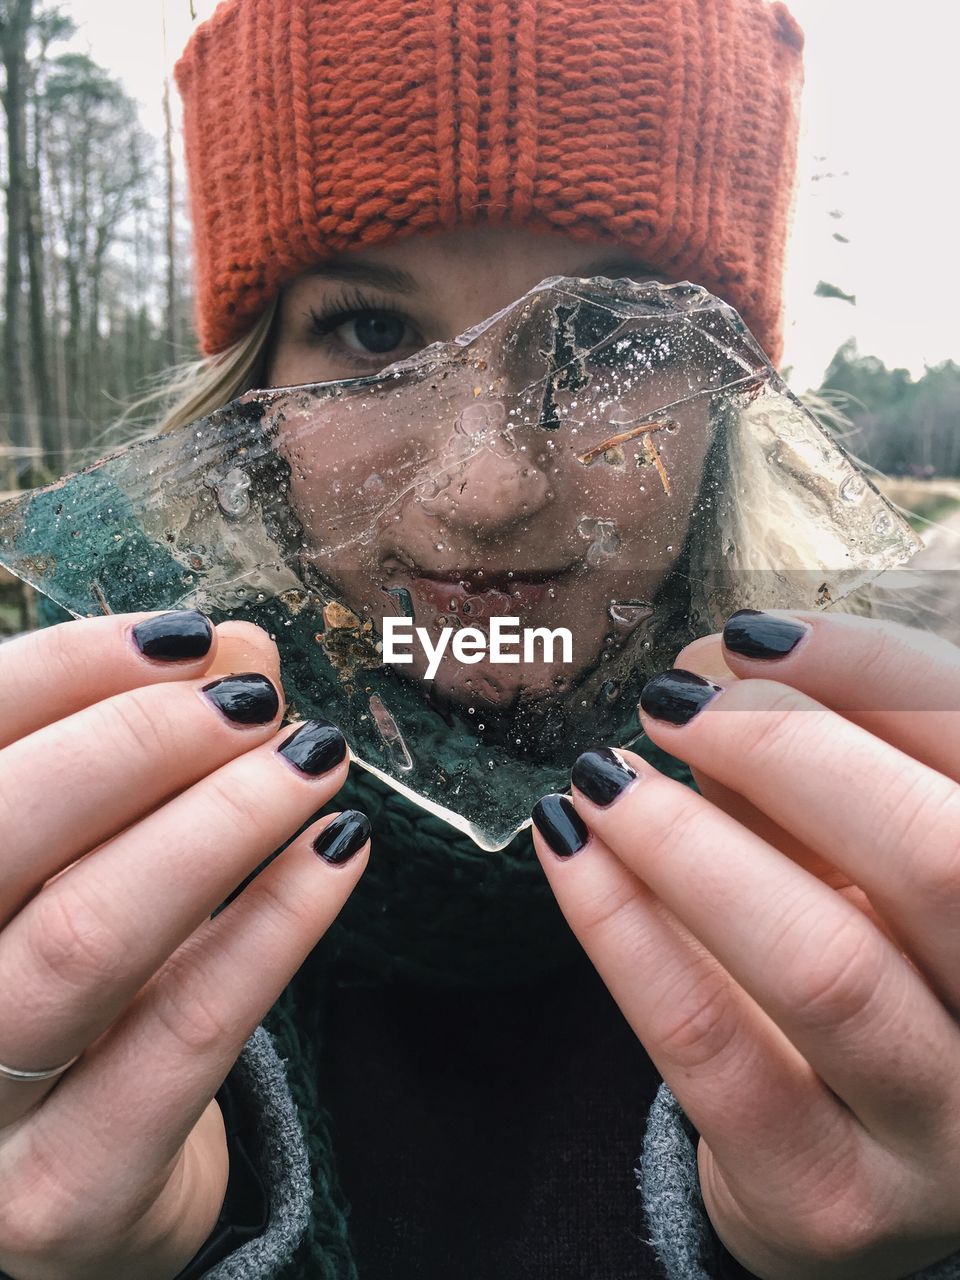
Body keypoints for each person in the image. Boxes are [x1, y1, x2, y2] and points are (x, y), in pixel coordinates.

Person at [2, 1, 960, 1278]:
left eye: (613, 337)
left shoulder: (891, 844)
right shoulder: (68, 841)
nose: (490, 488)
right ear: (249, 392)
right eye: (377, 332)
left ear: (735, 405)